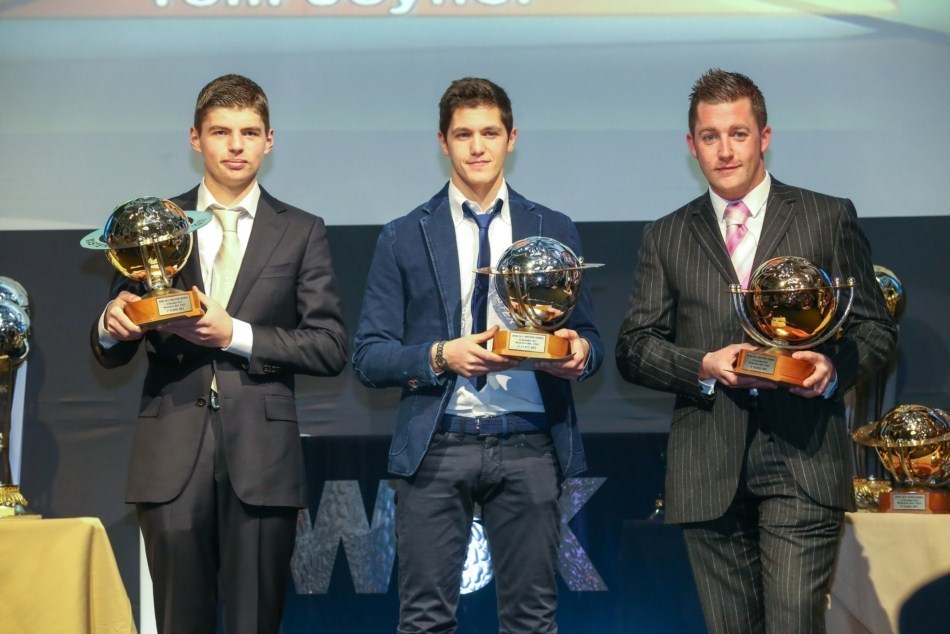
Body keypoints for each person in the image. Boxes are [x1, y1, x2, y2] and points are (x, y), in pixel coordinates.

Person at [615, 69, 896, 633]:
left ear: (764, 137)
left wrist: (831, 367)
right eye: (710, 136)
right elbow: (634, 347)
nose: (725, 150)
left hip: (803, 459)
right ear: (691, 144)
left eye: (738, 134)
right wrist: (703, 365)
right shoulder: (665, 235)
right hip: (708, 467)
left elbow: (874, 328)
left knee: (793, 623)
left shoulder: (826, 216)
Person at [91, 74, 347, 634]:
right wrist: (112, 326)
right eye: (220, 132)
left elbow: (329, 346)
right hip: (171, 454)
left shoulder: (302, 230)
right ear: (195, 138)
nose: (236, 146)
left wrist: (234, 334)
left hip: (262, 456)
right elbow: (113, 343)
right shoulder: (155, 223)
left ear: (269, 141)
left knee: (255, 621)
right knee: (179, 622)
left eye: (249, 132)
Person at [352, 77, 602, 633]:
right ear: (443, 142)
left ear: (512, 138)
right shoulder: (403, 235)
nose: (478, 147)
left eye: (490, 133)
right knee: (424, 621)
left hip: (530, 441)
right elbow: (368, 356)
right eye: (463, 134)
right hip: (438, 444)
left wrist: (578, 353)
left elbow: (589, 337)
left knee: (532, 621)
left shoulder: (553, 228)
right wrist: (442, 356)